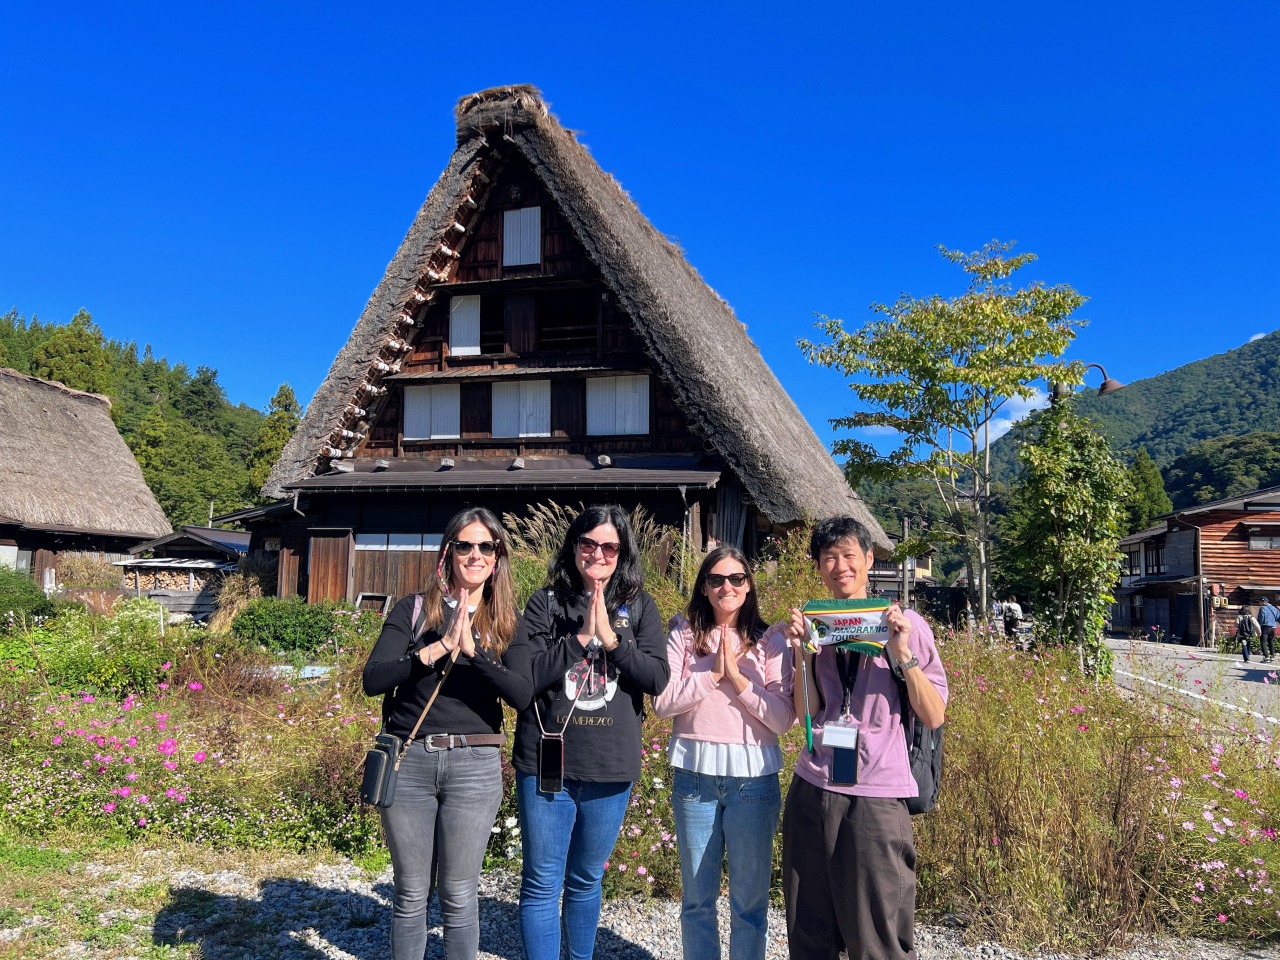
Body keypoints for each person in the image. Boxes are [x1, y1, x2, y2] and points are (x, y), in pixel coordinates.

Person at [361, 507, 531, 960]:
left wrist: (475, 654)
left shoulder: (506, 621)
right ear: (448, 553)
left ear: (497, 557)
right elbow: (373, 678)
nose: (475, 555)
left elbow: (522, 694)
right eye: (464, 545)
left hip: (475, 766)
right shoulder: (415, 609)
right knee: (411, 891)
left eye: (486, 546)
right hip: (411, 761)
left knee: (459, 893)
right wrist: (435, 649)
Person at [507, 504, 670, 960]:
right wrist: (581, 638)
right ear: (574, 546)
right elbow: (524, 680)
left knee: (586, 879)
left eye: (609, 547)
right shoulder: (545, 603)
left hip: (610, 765)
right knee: (542, 880)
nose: (598, 554)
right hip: (547, 763)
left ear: (623, 553)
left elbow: (657, 679)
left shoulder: (640, 606)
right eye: (588, 543)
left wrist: (612, 641)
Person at [782, 516, 949, 960]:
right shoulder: (817, 623)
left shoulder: (905, 624)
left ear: (869, 559)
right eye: (828, 558)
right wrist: (801, 653)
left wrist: (902, 653)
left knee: (877, 938)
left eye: (849, 555)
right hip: (812, 785)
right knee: (809, 932)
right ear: (818, 567)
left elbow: (933, 714)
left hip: (876, 795)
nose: (840, 566)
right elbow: (807, 712)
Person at [653, 546, 794, 960]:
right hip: (693, 778)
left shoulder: (771, 640)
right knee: (697, 900)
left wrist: (738, 680)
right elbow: (662, 703)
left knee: (749, 903)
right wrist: (713, 674)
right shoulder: (684, 634)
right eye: (716, 579)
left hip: (754, 781)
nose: (726, 587)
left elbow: (782, 718)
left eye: (736, 578)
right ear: (704, 587)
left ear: (749, 586)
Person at [1258, 597, 1279, 663]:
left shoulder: (1263, 608)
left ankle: (1266, 656)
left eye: (1260, 601)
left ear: (1264, 602)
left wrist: (1259, 625)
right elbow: (1278, 617)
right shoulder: (1274, 608)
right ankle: (1272, 656)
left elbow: (1261, 618)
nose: (1259, 603)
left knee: (1263, 642)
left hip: (1265, 626)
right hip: (1273, 627)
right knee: (1271, 641)